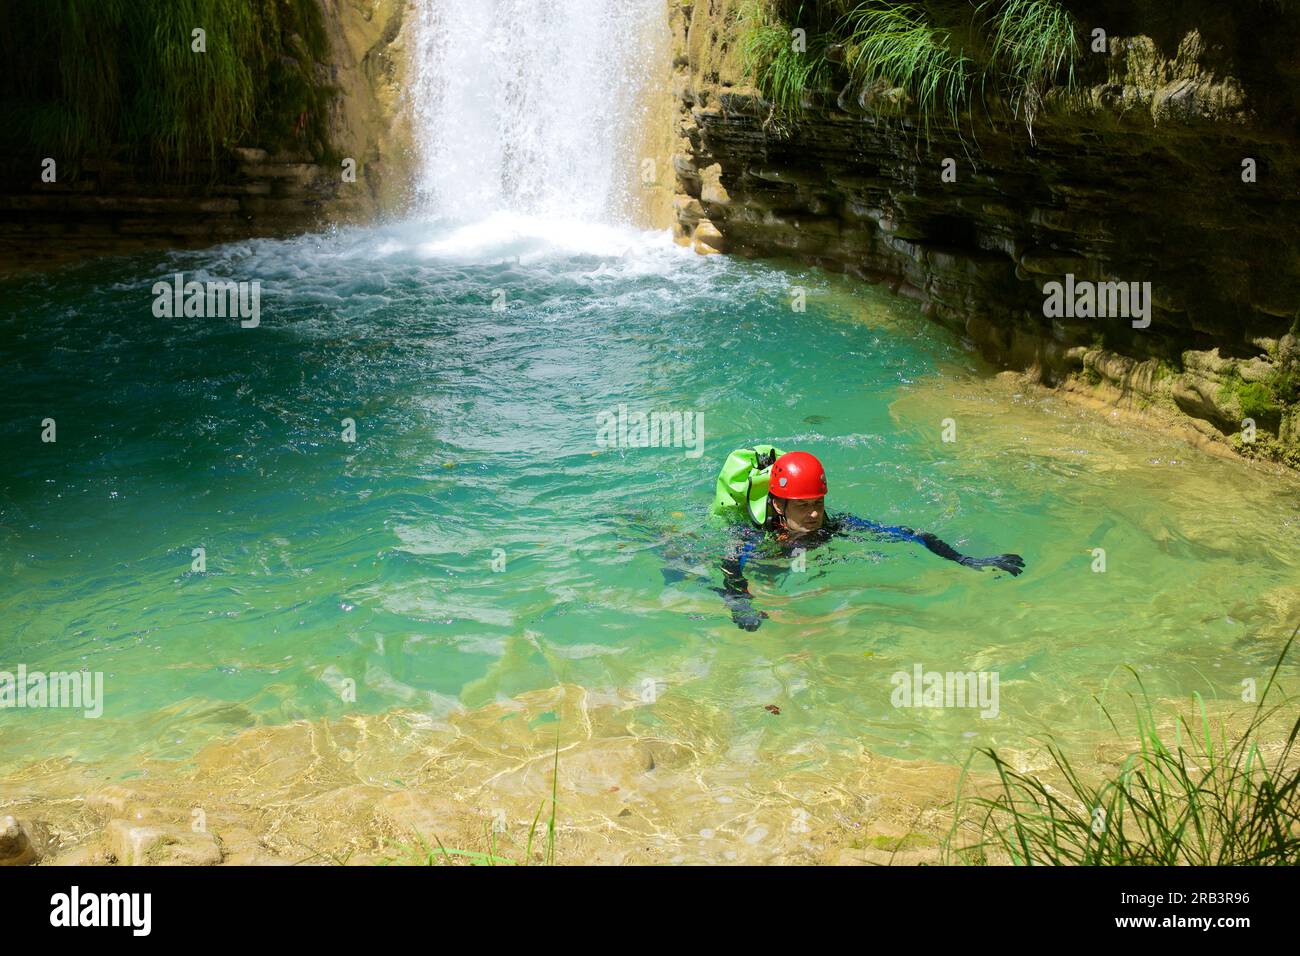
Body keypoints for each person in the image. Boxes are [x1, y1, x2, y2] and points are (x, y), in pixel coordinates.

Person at [709, 446, 1025, 631]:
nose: (814, 515)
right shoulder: (752, 534)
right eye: (803, 507)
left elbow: (908, 534)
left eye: (818, 504)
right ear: (779, 505)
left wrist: (965, 559)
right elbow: (729, 565)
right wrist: (739, 602)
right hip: (770, 557)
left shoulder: (834, 525)